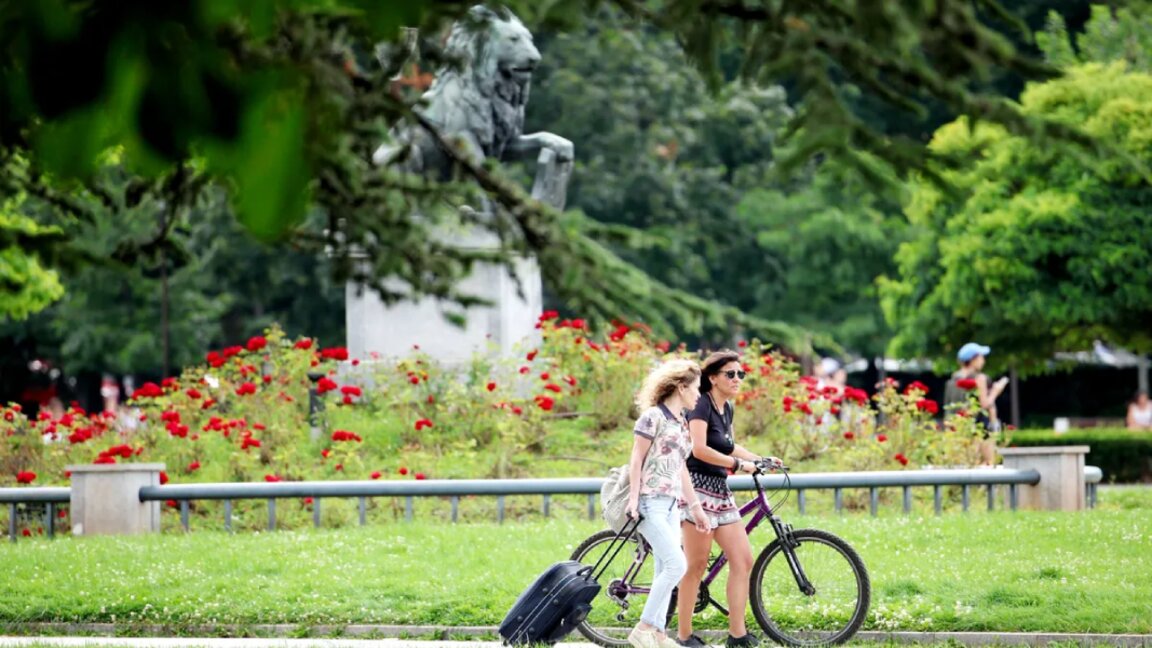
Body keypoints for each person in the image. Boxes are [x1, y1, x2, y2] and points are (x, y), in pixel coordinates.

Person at [676, 351, 781, 648]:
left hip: (720, 490)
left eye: (740, 374)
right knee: (696, 565)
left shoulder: (727, 408)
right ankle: (684, 637)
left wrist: (760, 459)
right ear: (712, 378)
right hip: (696, 489)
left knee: (743, 560)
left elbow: (729, 446)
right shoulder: (700, 404)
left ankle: (737, 635)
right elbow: (698, 449)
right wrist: (738, 465)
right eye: (730, 374)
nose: (737, 379)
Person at [625, 359, 712, 648]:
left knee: (664, 567)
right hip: (649, 502)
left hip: (672, 504)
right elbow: (636, 458)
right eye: (696, 388)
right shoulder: (653, 417)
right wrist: (634, 499)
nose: (699, 394)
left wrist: (696, 508)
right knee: (677, 565)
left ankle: (659, 634)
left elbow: (680, 467)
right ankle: (644, 627)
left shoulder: (681, 422)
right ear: (681, 387)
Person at [942, 342, 1008, 466]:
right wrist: (995, 391)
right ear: (973, 359)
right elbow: (985, 404)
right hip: (979, 429)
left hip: (958, 428)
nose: (983, 360)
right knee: (988, 464)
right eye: (981, 357)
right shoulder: (980, 378)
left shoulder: (953, 379)